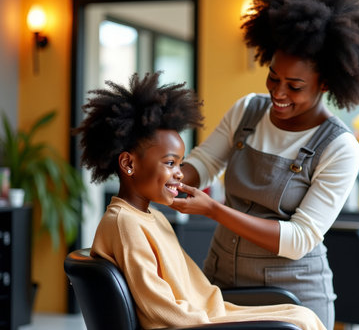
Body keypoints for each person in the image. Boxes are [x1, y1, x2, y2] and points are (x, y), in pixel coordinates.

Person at [170, 0, 359, 329]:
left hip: (293, 298)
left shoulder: (339, 147)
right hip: (221, 284)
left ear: (326, 83)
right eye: (273, 77)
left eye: (295, 86)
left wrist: (212, 209)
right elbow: (205, 163)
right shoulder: (247, 110)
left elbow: (299, 239)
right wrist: (170, 175)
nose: (278, 93)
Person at [72, 72, 326, 330]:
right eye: (170, 163)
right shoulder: (125, 225)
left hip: (207, 316)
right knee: (298, 323)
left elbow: (198, 294)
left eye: (180, 163)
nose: (180, 173)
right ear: (128, 163)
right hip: (196, 325)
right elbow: (162, 312)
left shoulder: (151, 216)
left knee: (301, 315)